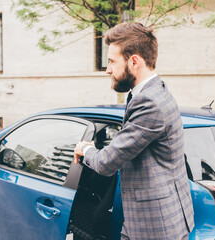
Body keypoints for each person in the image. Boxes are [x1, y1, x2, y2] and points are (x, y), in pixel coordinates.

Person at [74, 22, 194, 240]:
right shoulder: (156, 91)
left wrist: (86, 149)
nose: (108, 69)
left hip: (156, 227)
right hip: (154, 219)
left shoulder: (149, 103)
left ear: (134, 61)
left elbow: (105, 163)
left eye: (111, 61)